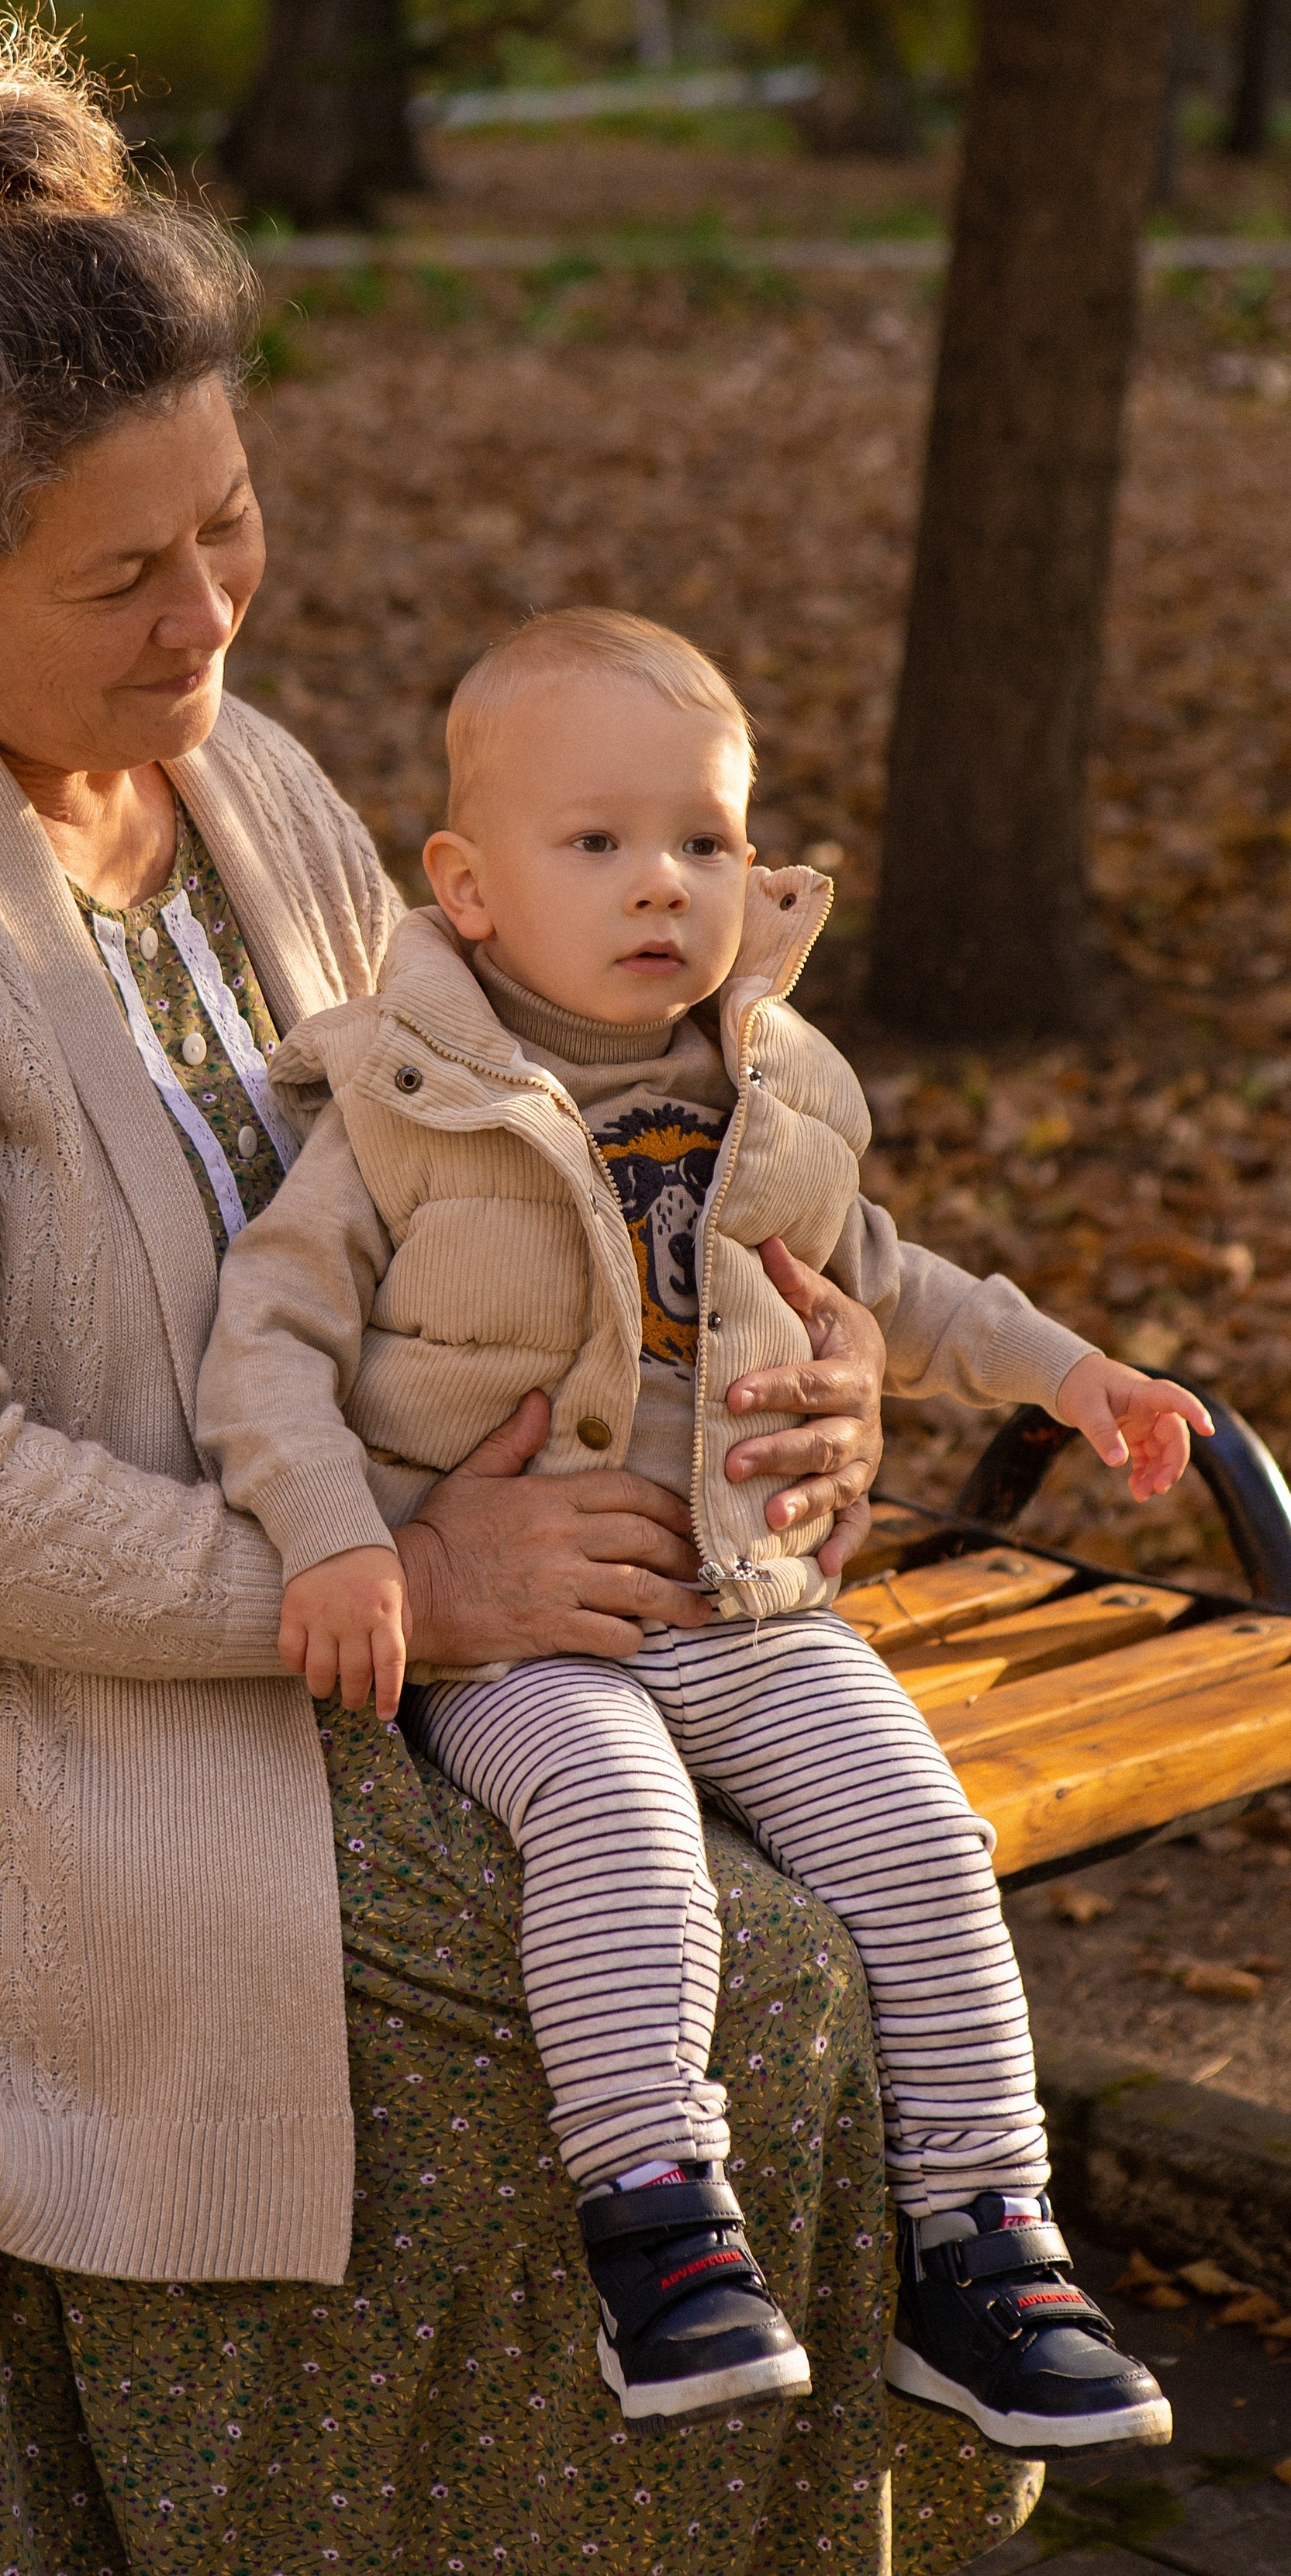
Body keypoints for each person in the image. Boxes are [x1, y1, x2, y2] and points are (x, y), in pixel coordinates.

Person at [0, 14, 1042, 2574]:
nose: (209, 621)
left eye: (231, 526)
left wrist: (770, 1353)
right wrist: (381, 1576)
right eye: (123, 577)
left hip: (365, 1613)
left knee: (824, 1915)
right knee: (689, 2011)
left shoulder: (233, 781)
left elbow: (506, 1165)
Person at [197, 605, 1202, 2456]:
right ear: (468, 885)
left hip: (746, 1596)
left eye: (704, 840)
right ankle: (658, 2235)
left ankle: (984, 2250)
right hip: (518, 1630)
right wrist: (342, 1542)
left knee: (917, 1833)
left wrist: (1074, 1380)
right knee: (622, 1827)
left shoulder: (767, 1091)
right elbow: (264, 1341)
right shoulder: (407, 1109)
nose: (659, 883)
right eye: (594, 842)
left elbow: (884, 1280)